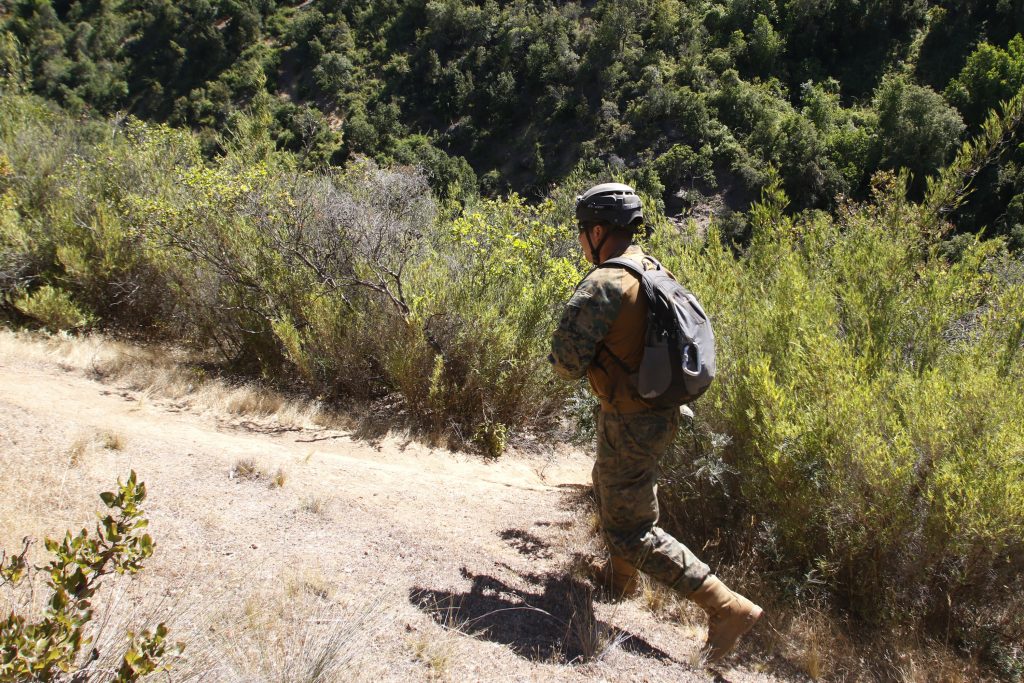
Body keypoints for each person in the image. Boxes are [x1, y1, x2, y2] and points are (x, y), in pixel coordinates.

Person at [548, 182, 762, 663]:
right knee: (609, 488)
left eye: (583, 232)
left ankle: (727, 607)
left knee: (632, 529)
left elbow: (565, 363)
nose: (582, 241)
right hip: (654, 412)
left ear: (598, 231)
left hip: (630, 417)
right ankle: (620, 581)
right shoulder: (649, 268)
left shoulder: (605, 282)